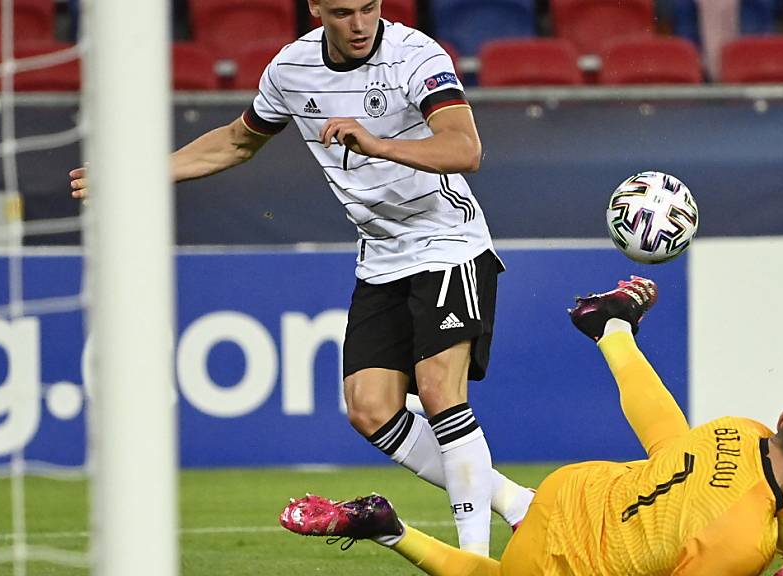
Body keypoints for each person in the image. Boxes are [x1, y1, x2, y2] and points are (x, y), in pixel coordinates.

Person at [69, 0, 534, 556]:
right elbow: (239, 141)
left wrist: (378, 143)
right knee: (369, 408)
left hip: (449, 246)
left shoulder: (416, 54)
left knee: (438, 392)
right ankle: (516, 504)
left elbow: (466, 148)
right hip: (382, 257)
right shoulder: (291, 70)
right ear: (315, 10)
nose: (360, 24)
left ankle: (473, 560)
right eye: (343, 12)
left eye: (369, 8)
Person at [280, 276, 783, 575]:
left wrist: (618, 338)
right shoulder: (744, 541)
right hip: (564, 561)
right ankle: (389, 529)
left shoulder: (739, 431)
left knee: (663, 446)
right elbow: (777, 530)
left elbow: (665, 430)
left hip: (570, 492)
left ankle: (609, 327)